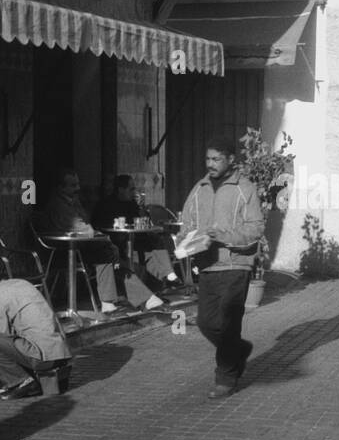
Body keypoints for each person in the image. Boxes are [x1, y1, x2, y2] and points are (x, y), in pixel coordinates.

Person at [180, 137, 265, 399]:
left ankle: (225, 377)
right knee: (206, 323)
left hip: (236, 264)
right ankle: (238, 350)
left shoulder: (245, 188)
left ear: (230, 160)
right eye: (208, 159)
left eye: (216, 159)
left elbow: (256, 227)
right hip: (207, 266)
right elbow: (186, 225)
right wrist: (190, 242)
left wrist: (224, 237)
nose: (211, 164)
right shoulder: (199, 189)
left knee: (228, 323)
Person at [42, 169, 164, 313]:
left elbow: (86, 224)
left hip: (78, 248)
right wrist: (104, 239)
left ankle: (114, 302)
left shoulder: (72, 202)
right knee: (108, 256)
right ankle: (135, 299)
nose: (78, 188)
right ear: (61, 187)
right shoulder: (58, 205)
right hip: (62, 252)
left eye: (78, 184)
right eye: (73, 185)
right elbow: (82, 227)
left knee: (108, 256)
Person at [0, 271, 72, 399]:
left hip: (43, 357)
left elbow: (2, 339)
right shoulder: (21, 283)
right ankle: (39, 381)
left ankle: (21, 382)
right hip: (61, 352)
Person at [93, 174, 180, 289]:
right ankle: (163, 279)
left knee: (155, 239)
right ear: (120, 190)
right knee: (148, 251)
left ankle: (167, 275)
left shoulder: (131, 203)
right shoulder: (105, 204)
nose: (134, 192)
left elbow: (142, 220)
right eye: (131, 189)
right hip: (116, 240)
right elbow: (99, 224)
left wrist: (141, 207)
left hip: (133, 238)